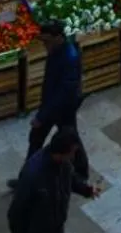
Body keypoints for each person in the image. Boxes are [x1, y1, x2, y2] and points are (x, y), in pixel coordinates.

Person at [7, 128, 100, 233]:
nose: (73, 157)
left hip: (56, 229)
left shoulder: (63, 163)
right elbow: (16, 213)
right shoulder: (33, 174)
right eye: (71, 153)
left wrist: (86, 189)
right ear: (61, 152)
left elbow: (70, 179)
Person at [7, 18, 80, 189]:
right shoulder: (56, 51)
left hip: (62, 108)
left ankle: (77, 176)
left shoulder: (69, 57)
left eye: (46, 41)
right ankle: (26, 180)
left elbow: (63, 93)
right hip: (51, 105)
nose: (44, 45)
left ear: (58, 38)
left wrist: (42, 116)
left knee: (68, 141)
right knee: (36, 141)